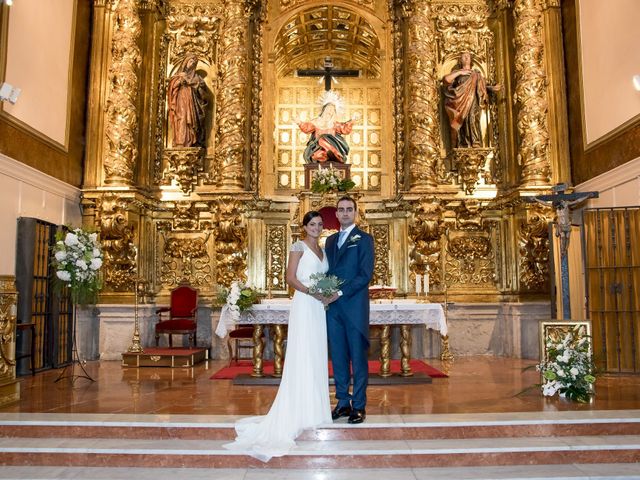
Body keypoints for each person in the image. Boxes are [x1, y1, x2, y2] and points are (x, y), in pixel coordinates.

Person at [223, 211, 331, 462]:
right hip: (305, 304)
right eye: (312, 224)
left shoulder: (324, 250)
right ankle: (299, 409)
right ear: (304, 227)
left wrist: (326, 292)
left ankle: (316, 409)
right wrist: (313, 292)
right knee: (303, 353)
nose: (316, 228)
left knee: (316, 354)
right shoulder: (298, 246)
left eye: (319, 224)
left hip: (319, 307)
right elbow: (290, 278)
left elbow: (323, 277)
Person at [325, 196, 375, 424]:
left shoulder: (364, 240)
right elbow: (329, 272)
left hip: (354, 306)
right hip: (333, 309)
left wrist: (341, 293)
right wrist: (324, 290)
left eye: (349, 209)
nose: (345, 213)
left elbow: (365, 274)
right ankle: (343, 402)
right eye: (341, 210)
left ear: (355, 212)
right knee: (338, 357)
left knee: (358, 357)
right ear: (336, 214)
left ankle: (360, 405)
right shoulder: (330, 241)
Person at [443, 51, 501, 148]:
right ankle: (463, 144)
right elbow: (446, 80)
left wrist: (492, 88)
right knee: (463, 121)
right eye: (463, 57)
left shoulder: (476, 74)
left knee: (473, 119)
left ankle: (475, 142)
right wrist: (460, 72)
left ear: (471, 60)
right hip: (459, 102)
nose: (466, 58)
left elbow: (483, 87)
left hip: (473, 101)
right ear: (460, 60)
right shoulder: (457, 73)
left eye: (468, 57)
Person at [167, 53, 208, 148]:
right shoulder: (179, 75)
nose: (192, 63)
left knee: (191, 120)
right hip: (181, 100)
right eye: (190, 61)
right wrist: (180, 81)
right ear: (185, 62)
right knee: (182, 118)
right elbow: (172, 86)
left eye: (194, 62)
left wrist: (191, 83)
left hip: (192, 102)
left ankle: (191, 140)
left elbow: (202, 91)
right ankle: (181, 142)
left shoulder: (197, 77)